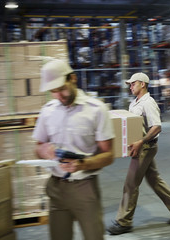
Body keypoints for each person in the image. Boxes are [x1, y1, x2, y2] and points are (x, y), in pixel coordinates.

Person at [32, 59, 115, 240]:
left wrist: (82, 164)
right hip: (55, 187)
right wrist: (43, 150)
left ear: (73, 78)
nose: (59, 95)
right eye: (53, 91)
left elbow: (108, 155)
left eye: (62, 88)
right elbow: (37, 147)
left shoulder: (97, 110)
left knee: (94, 236)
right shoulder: (47, 111)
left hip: (84, 187)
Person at [107, 72, 170, 235]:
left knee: (130, 184)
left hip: (145, 148)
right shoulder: (135, 103)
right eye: (129, 84)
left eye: (133, 83)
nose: (130, 86)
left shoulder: (148, 103)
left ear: (142, 84)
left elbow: (157, 126)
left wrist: (141, 142)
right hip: (140, 147)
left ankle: (124, 222)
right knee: (155, 181)